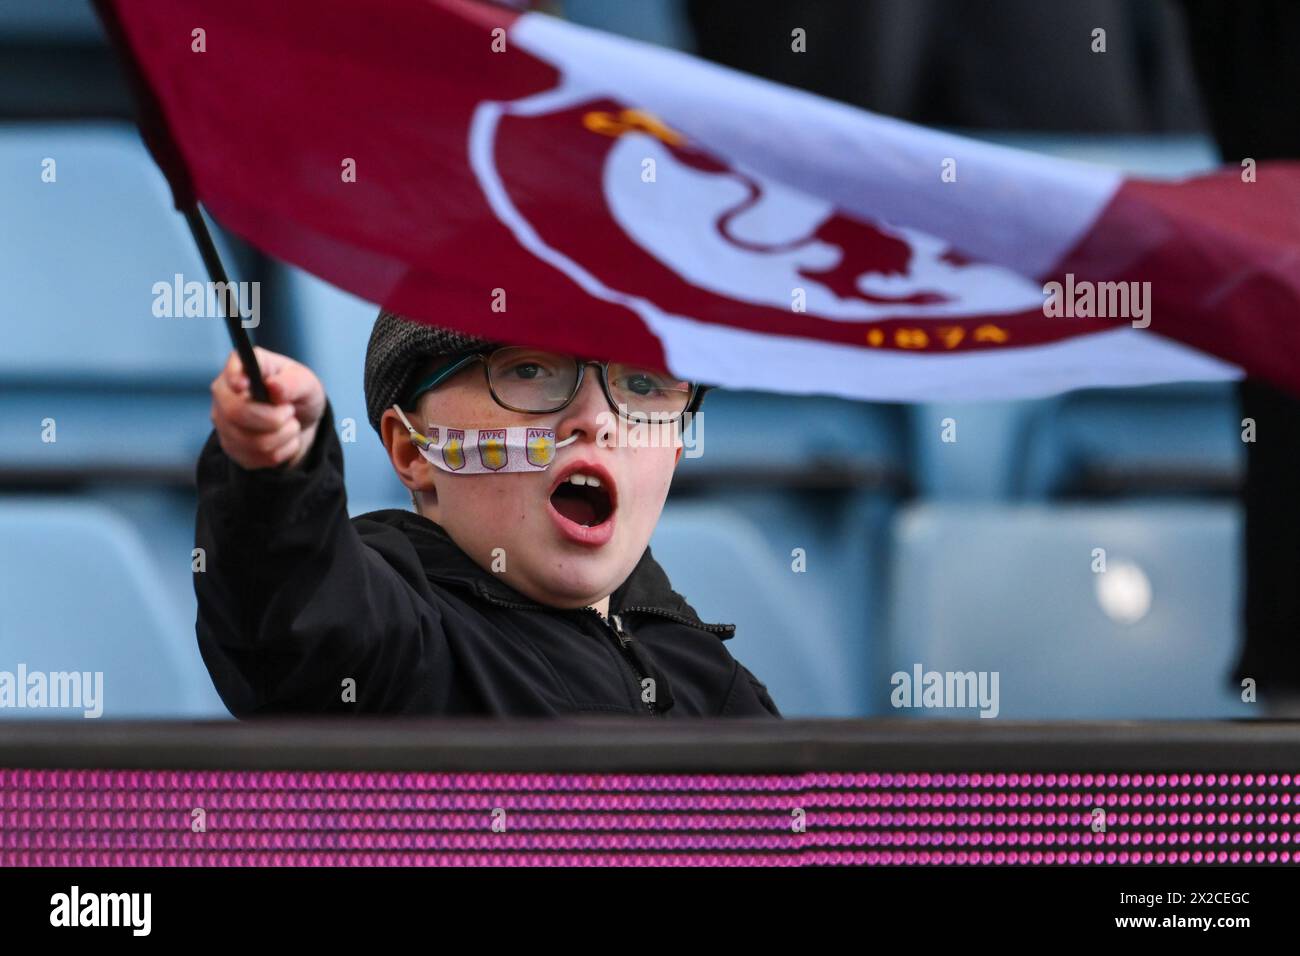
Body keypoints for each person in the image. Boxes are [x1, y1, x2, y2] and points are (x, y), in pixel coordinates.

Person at [194, 309, 781, 718]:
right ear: (413, 451)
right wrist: (276, 473)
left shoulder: (713, 681)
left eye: (644, 384)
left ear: (674, 456)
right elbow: (295, 605)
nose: (598, 419)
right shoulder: (396, 644)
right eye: (528, 370)